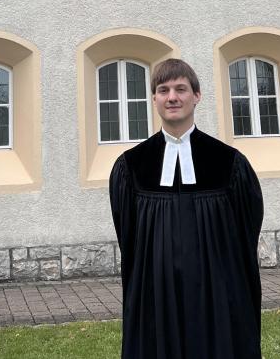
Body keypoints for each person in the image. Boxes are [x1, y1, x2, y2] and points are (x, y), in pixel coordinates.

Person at [109, 58, 264, 359]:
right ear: (154, 99)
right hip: (155, 291)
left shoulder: (228, 163)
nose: (172, 97)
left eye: (180, 89)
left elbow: (247, 229)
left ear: (197, 96)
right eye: (163, 90)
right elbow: (128, 236)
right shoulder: (132, 167)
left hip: (216, 289)